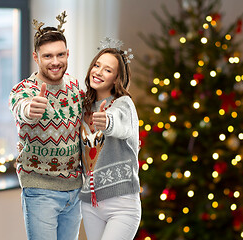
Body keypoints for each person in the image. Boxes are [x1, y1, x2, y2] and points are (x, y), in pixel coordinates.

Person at [8, 11, 83, 240]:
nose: (55, 62)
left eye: (60, 54)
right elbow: (21, 109)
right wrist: (31, 110)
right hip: (40, 190)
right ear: (36, 57)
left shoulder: (74, 86)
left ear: (68, 53)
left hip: (74, 190)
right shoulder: (24, 90)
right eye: (48, 56)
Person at [79, 38, 142, 240]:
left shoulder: (123, 105)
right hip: (90, 203)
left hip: (122, 204)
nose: (98, 72)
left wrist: (108, 122)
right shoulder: (83, 107)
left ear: (116, 78)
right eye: (97, 65)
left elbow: (121, 125)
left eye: (107, 70)